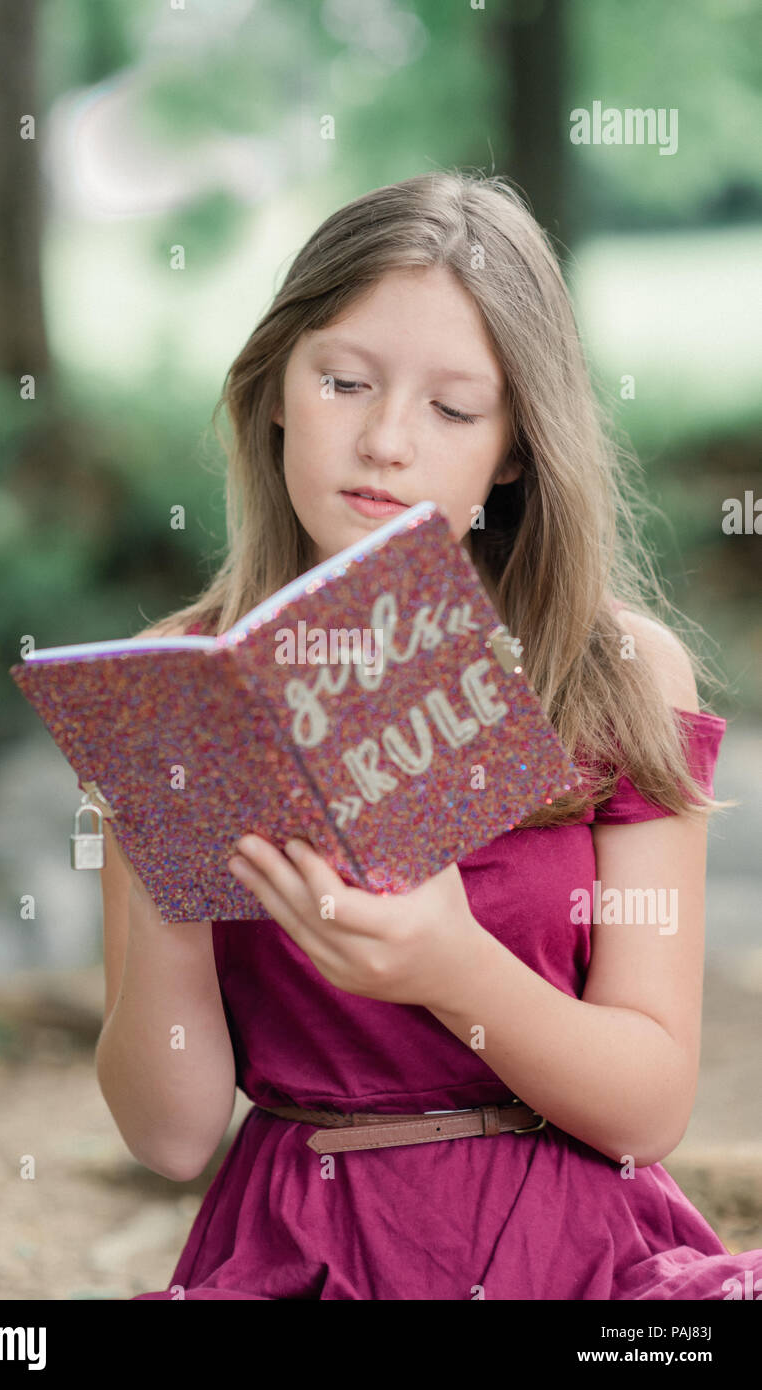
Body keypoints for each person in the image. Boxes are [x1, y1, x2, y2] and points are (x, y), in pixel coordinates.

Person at [96, 171, 760, 1300]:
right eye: (344, 381)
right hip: (304, 1246)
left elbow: (650, 1103)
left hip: (582, 1249)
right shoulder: (182, 681)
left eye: (454, 409)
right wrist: (163, 850)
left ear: (513, 448)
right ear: (275, 391)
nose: (387, 441)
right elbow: (170, 1133)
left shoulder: (616, 673)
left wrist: (452, 968)